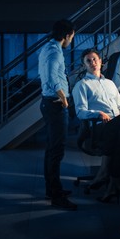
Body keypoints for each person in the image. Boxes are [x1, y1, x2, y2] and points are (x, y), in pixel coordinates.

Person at [72, 49, 120, 203]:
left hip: (115, 125)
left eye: (95, 60)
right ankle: (117, 178)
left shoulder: (110, 83)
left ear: (101, 62)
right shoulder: (82, 85)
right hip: (99, 127)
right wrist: (97, 113)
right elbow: (80, 112)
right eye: (88, 61)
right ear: (84, 65)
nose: (92, 63)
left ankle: (110, 178)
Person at [38, 19, 77, 210]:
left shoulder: (48, 47)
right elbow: (52, 77)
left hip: (48, 103)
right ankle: (56, 195)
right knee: (57, 151)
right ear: (68, 34)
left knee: (51, 149)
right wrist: (64, 98)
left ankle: (51, 189)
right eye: (72, 36)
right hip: (55, 104)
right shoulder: (55, 51)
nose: (72, 40)